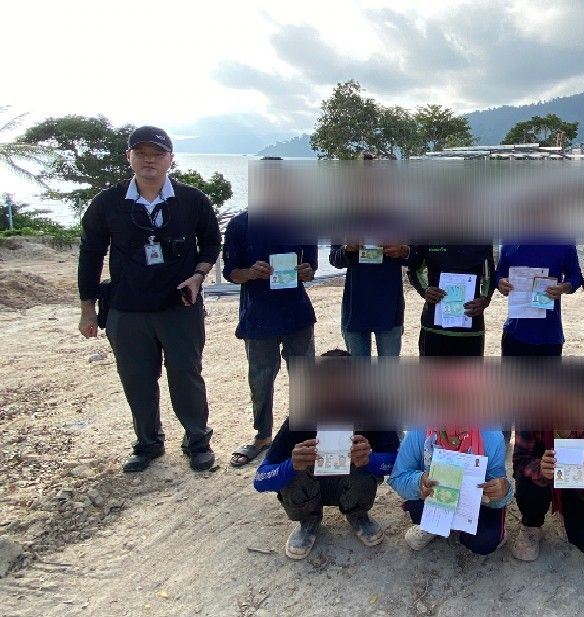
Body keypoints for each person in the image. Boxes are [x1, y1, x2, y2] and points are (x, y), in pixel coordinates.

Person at [77, 126, 219, 473]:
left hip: (180, 306)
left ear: (171, 159)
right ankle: (148, 443)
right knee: (136, 378)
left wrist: (198, 276)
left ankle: (197, 440)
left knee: (186, 374)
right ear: (129, 157)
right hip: (127, 308)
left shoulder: (191, 200)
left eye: (157, 153)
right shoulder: (108, 202)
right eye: (141, 153)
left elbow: (211, 242)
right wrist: (88, 309)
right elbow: (91, 254)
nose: (149, 160)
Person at [222, 211, 318, 466]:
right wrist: (250, 273)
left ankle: (303, 434)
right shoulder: (240, 224)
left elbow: (311, 269)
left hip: (297, 314)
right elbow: (231, 273)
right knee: (261, 379)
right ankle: (262, 435)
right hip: (258, 316)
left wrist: (306, 272)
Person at [253, 414, 399, 559]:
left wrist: (370, 459)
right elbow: (260, 479)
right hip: (309, 489)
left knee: (363, 463)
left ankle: (358, 514)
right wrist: (290, 466)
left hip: (351, 486)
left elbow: (397, 464)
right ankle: (308, 519)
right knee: (293, 467)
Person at [388, 427, 513, 555]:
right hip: (433, 500)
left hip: (477, 506)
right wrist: (419, 482)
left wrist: (503, 490)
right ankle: (435, 526)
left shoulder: (491, 434)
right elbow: (397, 478)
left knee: (486, 540)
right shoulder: (419, 431)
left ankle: (452, 527)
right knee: (416, 509)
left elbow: (498, 489)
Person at [511, 430, 584, 560]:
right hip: (540, 476)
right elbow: (519, 462)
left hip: (575, 486)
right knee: (527, 483)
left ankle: (565, 513)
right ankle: (531, 524)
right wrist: (540, 469)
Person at [494, 243, 583, 356]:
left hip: (549, 335)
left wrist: (564, 287)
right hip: (515, 333)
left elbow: (576, 277)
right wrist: (500, 283)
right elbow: (499, 274)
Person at [407, 245, 496, 356]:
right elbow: (414, 270)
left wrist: (485, 299)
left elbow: (490, 276)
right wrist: (425, 290)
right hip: (434, 328)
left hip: (470, 329)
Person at [328, 242, 410, 357]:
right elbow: (334, 259)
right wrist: (348, 249)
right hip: (355, 309)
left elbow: (417, 257)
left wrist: (404, 251)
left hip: (390, 308)